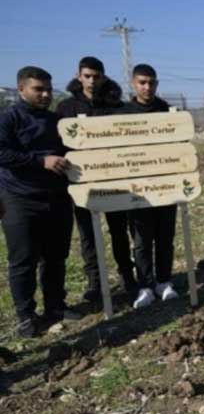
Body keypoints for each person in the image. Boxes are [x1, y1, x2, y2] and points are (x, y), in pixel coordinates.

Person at [0, 66, 82, 338]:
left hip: (57, 198)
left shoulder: (55, 121)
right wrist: (40, 161)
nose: (46, 94)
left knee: (56, 257)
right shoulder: (9, 120)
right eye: (39, 89)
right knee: (23, 260)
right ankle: (26, 316)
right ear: (21, 89)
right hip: (20, 199)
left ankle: (56, 308)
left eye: (48, 89)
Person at [56, 56, 136, 303]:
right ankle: (95, 282)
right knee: (88, 234)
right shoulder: (66, 108)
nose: (91, 81)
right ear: (79, 77)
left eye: (96, 76)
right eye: (87, 76)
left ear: (103, 77)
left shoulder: (114, 106)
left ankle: (127, 275)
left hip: (113, 180)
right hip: (81, 182)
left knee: (119, 231)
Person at [122, 64, 179, 309]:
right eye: (142, 82)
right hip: (137, 190)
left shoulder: (165, 109)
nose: (147, 87)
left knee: (165, 237)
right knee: (142, 240)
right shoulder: (123, 113)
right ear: (133, 83)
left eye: (152, 83)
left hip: (164, 185)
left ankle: (164, 281)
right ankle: (145, 285)